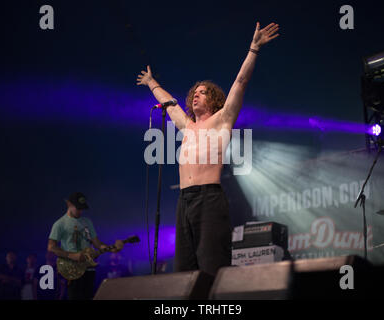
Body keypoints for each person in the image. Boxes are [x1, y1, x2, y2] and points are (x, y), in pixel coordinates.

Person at [137, 21, 280, 276]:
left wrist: (254, 49)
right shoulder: (188, 127)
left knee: (212, 264)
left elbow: (240, 82)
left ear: (212, 99)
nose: (196, 96)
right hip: (184, 200)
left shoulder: (223, 119)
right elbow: (169, 105)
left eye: (203, 93)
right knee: (184, 269)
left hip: (209, 198)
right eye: (194, 93)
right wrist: (151, 82)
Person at [47, 192, 124, 300]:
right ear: (69, 204)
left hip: (89, 269)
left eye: (82, 208)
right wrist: (71, 255)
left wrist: (113, 249)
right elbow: (51, 247)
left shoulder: (87, 222)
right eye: (78, 208)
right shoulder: (60, 224)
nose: (80, 211)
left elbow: (97, 244)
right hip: (72, 270)